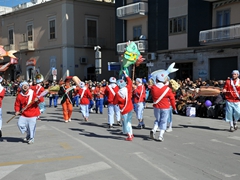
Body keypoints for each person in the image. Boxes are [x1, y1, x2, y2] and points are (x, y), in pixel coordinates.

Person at [150, 72, 177, 142]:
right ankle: (160, 136)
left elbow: (153, 96)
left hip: (156, 106)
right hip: (165, 107)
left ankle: (154, 129)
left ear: (157, 80)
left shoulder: (153, 88)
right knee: (163, 122)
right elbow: (172, 99)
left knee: (157, 120)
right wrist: (174, 107)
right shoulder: (168, 89)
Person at [113, 71, 134, 141]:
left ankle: (129, 135)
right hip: (130, 107)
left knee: (125, 123)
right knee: (129, 122)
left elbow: (115, 102)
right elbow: (130, 82)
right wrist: (126, 75)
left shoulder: (118, 94)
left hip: (123, 110)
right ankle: (131, 133)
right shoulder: (128, 88)